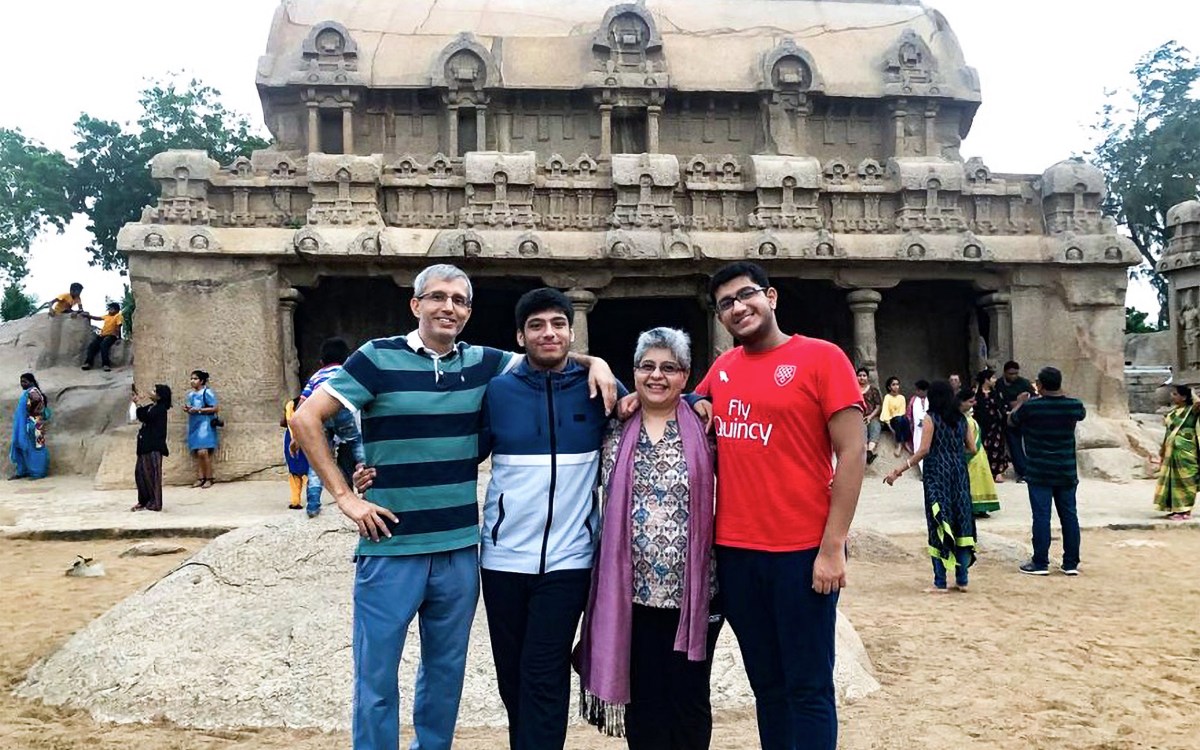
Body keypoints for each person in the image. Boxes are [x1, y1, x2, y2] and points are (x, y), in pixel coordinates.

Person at [290, 264, 618, 750]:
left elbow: (548, 353)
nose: (449, 307)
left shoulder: (484, 363)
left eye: (460, 301)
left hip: (460, 547)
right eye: (438, 297)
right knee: (377, 679)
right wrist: (345, 495)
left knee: (445, 677)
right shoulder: (376, 358)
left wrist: (598, 365)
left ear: (468, 312)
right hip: (390, 545)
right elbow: (305, 419)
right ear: (415, 304)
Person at [694, 261, 865, 750]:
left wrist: (833, 546)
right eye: (725, 304)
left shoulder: (821, 358)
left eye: (745, 295)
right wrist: (697, 402)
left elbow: (852, 452)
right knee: (766, 685)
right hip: (736, 552)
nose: (737, 308)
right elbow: (685, 403)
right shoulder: (723, 368)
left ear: (771, 297)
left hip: (802, 550)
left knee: (808, 686)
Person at [477, 288, 620, 750]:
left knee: (544, 670)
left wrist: (700, 400)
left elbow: (658, 395)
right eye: (536, 325)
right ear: (520, 336)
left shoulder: (598, 386)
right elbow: (460, 450)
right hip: (501, 559)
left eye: (558, 323)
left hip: (569, 560)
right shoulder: (497, 391)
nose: (549, 333)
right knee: (511, 677)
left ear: (571, 331)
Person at [577, 327, 721, 750]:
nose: (657, 376)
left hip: (696, 594)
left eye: (669, 369)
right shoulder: (612, 425)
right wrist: (593, 361)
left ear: (686, 376)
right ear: (634, 373)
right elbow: (554, 363)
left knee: (690, 697)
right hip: (630, 594)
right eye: (647, 367)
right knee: (644, 699)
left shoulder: (707, 427)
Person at [885, 380, 977, 591]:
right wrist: (955, 455)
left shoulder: (931, 418)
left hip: (937, 475)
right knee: (961, 520)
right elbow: (972, 448)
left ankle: (940, 581)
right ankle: (962, 580)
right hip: (960, 476)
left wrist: (899, 470)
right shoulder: (962, 420)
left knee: (938, 522)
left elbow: (924, 450)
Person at [1009, 366, 1087, 576]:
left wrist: (1020, 403)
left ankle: (1040, 562)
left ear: (1040, 385)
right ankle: (1071, 562)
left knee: (1042, 516)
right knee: (1069, 516)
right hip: (1066, 470)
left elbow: (1012, 421)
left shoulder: (1032, 407)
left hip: (1039, 470)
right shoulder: (1074, 406)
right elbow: (1081, 414)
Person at [296, 338, 364, 518]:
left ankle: (312, 505)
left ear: (321, 362)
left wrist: (297, 435)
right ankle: (367, 482)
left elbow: (303, 405)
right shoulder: (345, 371)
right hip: (341, 412)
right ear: (347, 358)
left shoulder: (316, 376)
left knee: (318, 457)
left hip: (320, 416)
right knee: (357, 444)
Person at [1151, 385, 1197, 521]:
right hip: (1172, 449)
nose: (1172, 396)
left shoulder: (1192, 411)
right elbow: (1169, 431)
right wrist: (1162, 450)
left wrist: (1192, 393)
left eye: (1176, 394)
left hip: (1186, 449)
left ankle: (1185, 510)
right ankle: (1175, 508)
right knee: (1172, 480)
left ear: (1183, 397)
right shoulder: (1174, 412)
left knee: (1186, 479)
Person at [959, 387, 999, 517]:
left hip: (976, 455)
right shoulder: (964, 420)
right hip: (973, 454)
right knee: (974, 482)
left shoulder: (968, 419)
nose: (974, 404)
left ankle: (980, 508)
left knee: (978, 481)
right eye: (970, 401)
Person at [131, 384, 171, 512]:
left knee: (152, 475)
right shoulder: (151, 407)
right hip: (144, 445)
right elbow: (140, 414)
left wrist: (138, 404)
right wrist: (138, 403)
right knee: (140, 474)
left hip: (154, 446)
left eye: (155, 391)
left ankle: (155, 502)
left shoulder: (160, 409)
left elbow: (145, 417)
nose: (151, 391)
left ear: (160, 396)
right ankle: (144, 500)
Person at [997, 360, 1037, 482]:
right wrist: (1011, 404)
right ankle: (1022, 472)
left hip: (1024, 418)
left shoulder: (1023, 382)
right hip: (1008, 418)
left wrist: (1023, 402)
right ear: (1005, 373)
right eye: (1010, 373)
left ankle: (1030, 470)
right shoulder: (999, 384)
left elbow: (1033, 396)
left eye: (1015, 373)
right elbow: (998, 400)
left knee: (1027, 445)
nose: (1013, 376)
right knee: (1014, 446)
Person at [973, 368, 1011, 483]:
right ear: (986, 380)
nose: (995, 380)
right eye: (992, 378)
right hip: (981, 425)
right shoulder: (975, 393)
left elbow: (1002, 407)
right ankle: (984, 472)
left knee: (997, 447)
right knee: (982, 448)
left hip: (995, 425)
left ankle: (998, 472)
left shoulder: (996, 393)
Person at [9, 372, 50, 480]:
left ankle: (38, 472)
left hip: (34, 424)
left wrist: (30, 414)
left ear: (31, 382)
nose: (22, 384)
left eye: (24, 381)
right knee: (24, 446)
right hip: (29, 423)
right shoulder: (28, 392)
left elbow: (37, 403)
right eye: (21, 382)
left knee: (36, 447)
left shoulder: (33, 392)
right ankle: (23, 471)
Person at [183, 370, 219, 489]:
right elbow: (191, 407)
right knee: (198, 453)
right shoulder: (191, 395)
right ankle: (200, 477)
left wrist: (198, 410)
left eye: (195, 379)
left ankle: (208, 477)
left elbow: (215, 408)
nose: (192, 381)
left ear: (201, 381)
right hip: (195, 424)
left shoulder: (207, 392)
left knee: (203, 452)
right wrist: (188, 409)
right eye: (191, 378)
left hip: (205, 424)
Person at [281, 396, 308, 510]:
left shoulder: (289, 407)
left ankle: (295, 501)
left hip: (290, 439)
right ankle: (313, 500)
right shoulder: (309, 406)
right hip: (307, 437)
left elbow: (282, 422)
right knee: (309, 471)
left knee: (294, 472)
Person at [81, 301, 124, 372]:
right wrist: (88, 316)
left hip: (111, 336)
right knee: (92, 346)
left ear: (117, 310)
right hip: (102, 335)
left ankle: (106, 364)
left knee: (104, 345)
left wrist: (119, 338)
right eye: (109, 309)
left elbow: (119, 326)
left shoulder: (118, 316)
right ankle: (88, 363)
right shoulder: (107, 316)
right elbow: (97, 318)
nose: (110, 310)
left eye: (112, 309)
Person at [857, 367, 883, 464]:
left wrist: (870, 417)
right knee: (861, 429)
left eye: (864, 376)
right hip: (857, 417)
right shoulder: (853, 390)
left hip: (872, 416)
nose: (862, 378)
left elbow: (878, 406)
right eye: (859, 376)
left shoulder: (873, 390)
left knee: (875, 426)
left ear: (867, 377)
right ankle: (864, 452)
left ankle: (870, 452)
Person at [880, 375, 910, 457]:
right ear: (889, 387)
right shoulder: (887, 397)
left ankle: (906, 442)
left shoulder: (902, 397)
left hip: (900, 420)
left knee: (904, 418)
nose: (896, 386)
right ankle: (899, 444)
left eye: (897, 384)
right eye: (893, 384)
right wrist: (891, 428)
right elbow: (885, 413)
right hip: (890, 422)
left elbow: (902, 412)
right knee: (898, 419)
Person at [907, 379, 930, 466]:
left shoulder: (931, 399)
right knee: (918, 449)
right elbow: (909, 414)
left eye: (918, 390)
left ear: (924, 391)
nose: (916, 392)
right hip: (917, 430)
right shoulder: (913, 400)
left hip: (929, 429)